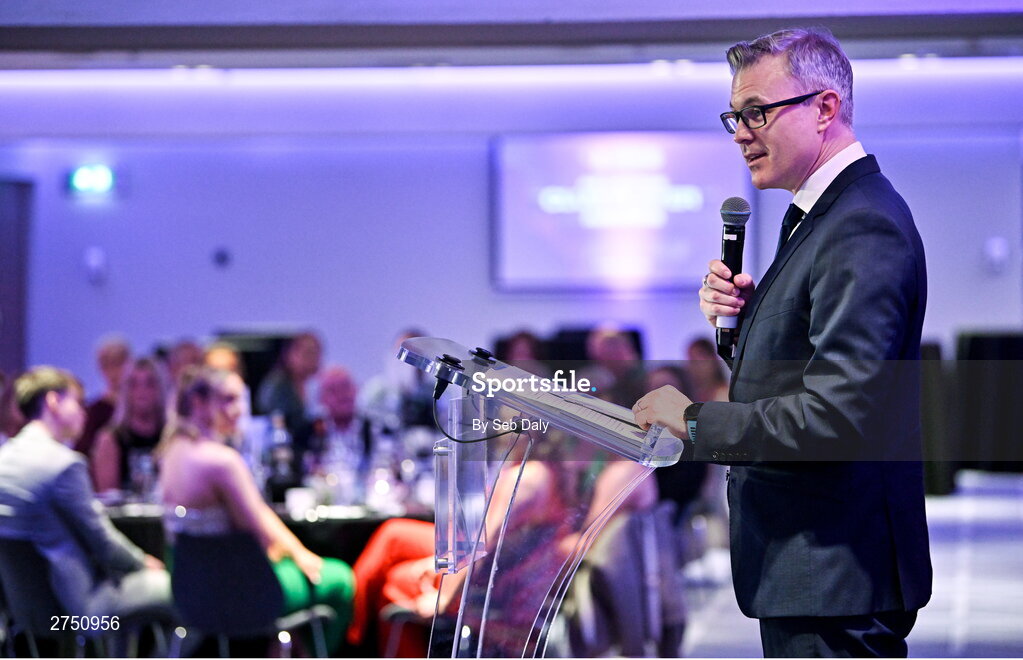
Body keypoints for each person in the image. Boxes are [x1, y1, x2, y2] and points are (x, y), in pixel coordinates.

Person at [632, 28, 931, 657]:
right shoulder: (826, 218)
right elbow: (807, 379)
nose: (740, 132)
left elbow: (838, 415)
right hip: (818, 566)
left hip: (837, 569)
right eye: (734, 116)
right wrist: (738, 332)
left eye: (757, 112)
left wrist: (693, 422)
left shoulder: (861, 225)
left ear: (825, 108)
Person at [158, 366, 354, 654]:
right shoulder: (221, 461)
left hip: (190, 590)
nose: (235, 410)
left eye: (239, 399)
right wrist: (294, 555)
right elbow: (256, 534)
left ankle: (288, 645)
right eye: (225, 400)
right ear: (199, 403)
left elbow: (258, 513)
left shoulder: (171, 451)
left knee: (304, 565)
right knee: (340, 579)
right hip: (242, 590)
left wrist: (298, 553)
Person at [0, 367, 174, 622]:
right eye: (78, 402)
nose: (83, 413)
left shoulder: (5, 458)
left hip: (25, 607)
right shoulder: (64, 464)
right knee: (184, 591)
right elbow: (103, 543)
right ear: (53, 401)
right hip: (76, 606)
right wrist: (143, 563)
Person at [91, 358, 166, 496]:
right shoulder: (110, 439)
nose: (142, 391)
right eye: (134, 384)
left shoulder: (170, 437)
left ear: (160, 389)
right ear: (125, 390)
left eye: (149, 383)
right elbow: (108, 497)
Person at [74, 335, 131, 458]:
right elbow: (82, 452)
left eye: (118, 362)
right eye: (106, 364)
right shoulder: (94, 412)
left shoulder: (141, 407)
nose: (113, 370)